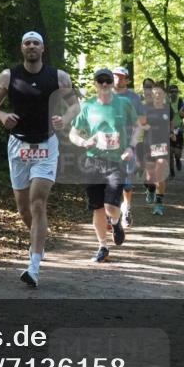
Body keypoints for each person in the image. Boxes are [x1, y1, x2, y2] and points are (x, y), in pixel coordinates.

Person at [0, 31, 78, 288]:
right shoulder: (9, 76)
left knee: (38, 202)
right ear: (22, 48)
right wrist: (2, 116)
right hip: (18, 146)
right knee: (24, 209)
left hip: (46, 145)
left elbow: (75, 106)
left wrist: (64, 120)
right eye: (27, 42)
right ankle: (39, 240)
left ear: (43, 48)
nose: (32, 46)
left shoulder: (58, 77)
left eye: (36, 43)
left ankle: (34, 265)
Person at [69, 68, 141, 263]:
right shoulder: (88, 106)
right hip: (92, 162)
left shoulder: (124, 104)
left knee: (110, 205)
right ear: (95, 83)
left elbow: (137, 126)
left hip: (116, 162)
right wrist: (84, 143)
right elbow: (73, 133)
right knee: (97, 207)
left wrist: (131, 147)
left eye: (107, 81)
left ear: (112, 83)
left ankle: (116, 223)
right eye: (100, 81)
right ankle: (103, 246)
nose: (104, 84)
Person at [112, 66, 146, 228]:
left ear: (127, 80)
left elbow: (141, 121)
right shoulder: (105, 95)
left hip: (127, 144)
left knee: (126, 182)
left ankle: (126, 209)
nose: (118, 79)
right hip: (107, 145)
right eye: (115, 76)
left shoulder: (133, 98)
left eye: (121, 77)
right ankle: (111, 213)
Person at [142, 83, 171, 215]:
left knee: (160, 173)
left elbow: (171, 125)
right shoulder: (146, 108)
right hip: (149, 144)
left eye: (159, 93)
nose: (157, 96)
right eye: (154, 94)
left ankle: (159, 204)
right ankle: (151, 189)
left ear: (164, 95)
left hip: (162, 145)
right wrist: (145, 126)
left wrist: (172, 133)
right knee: (150, 175)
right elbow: (140, 123)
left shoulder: (167, 109)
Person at [168, 83, 184, 178]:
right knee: (170, 152)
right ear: (169, 93)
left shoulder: (180, 101)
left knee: (177, 153)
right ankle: (172, 171)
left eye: (176, 92)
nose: (174, 94)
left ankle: (178, 160)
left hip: (179, 129)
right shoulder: (166, 102)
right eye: (172, 92)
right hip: (168, 130)